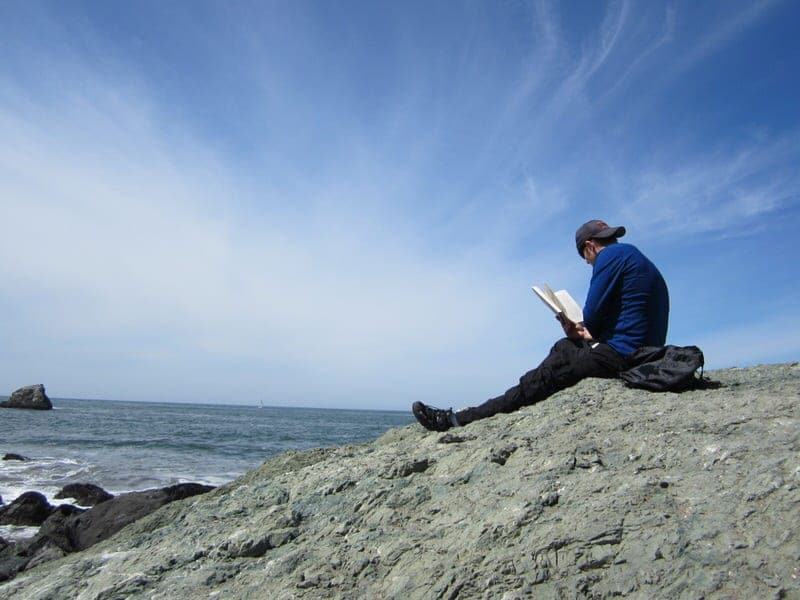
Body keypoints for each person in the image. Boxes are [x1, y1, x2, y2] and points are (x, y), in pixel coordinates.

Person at [412, 220, 669, 431]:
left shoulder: (609, 257)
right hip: (642, 352)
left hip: (623, 357)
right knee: (566, 349)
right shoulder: (632, 255)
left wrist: (577, 327)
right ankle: (496, 401)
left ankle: (458, 419)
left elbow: (591, 316)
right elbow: (622, 323)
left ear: (590, 247)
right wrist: (581, 332)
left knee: (556, 358)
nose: (588, 263)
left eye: (586, 259)